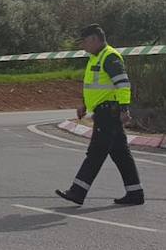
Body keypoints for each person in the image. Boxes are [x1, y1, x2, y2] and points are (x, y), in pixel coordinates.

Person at [56, 24, 145, 207]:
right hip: (103, 110)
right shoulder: (95, 58)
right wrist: (84, 105)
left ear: (95, 39)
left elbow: (123, 84)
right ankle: (135, 193)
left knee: (96, 153)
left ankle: (77, 192)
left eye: (85, 41)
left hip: (109, 113)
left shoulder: (109, 57)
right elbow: (94, 87)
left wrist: (124, 109)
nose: (83, 46)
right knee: (121, 154)